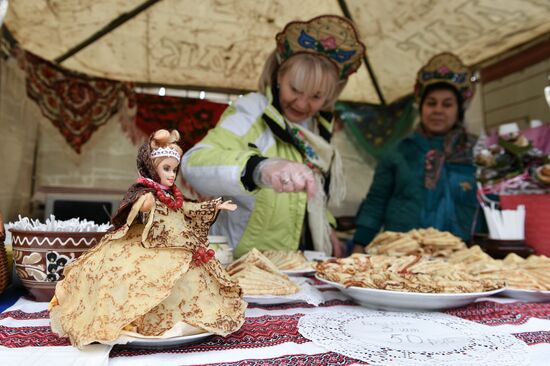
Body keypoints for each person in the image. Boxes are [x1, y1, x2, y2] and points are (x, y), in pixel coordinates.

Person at [182, 15, 365, 258]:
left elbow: (314, 196)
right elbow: (194, 164)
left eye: (316, 96)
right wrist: (260, 168)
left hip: (297, 261)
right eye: (295, 90)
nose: (302, 103)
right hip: (242, 261)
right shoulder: (252, 110)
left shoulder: (318, 130)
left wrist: (327, 226)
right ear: (279, 76)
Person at [49, 129, 246, 348]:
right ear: (152, 167)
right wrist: (143, 204)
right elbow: (133, 206)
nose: (172, 174)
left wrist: (214, 205)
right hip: (148, 242)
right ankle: (132, 322)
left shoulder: (173, 195)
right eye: (166, 168)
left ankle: (185, 320)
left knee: (191, 282)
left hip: (179, 245)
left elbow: (188, 207)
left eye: (174, 169)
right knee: (133, 277)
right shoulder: (144, 191)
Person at [353, 52, 479, 253]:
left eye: (447, 104)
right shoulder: (398, 151)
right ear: (421, 108)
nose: (438, 110)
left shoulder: (476, 155)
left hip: (458, 258)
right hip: (401, 255)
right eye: (431, 103)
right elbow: (376, 201)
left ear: (459, 110)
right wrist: (359, 245)